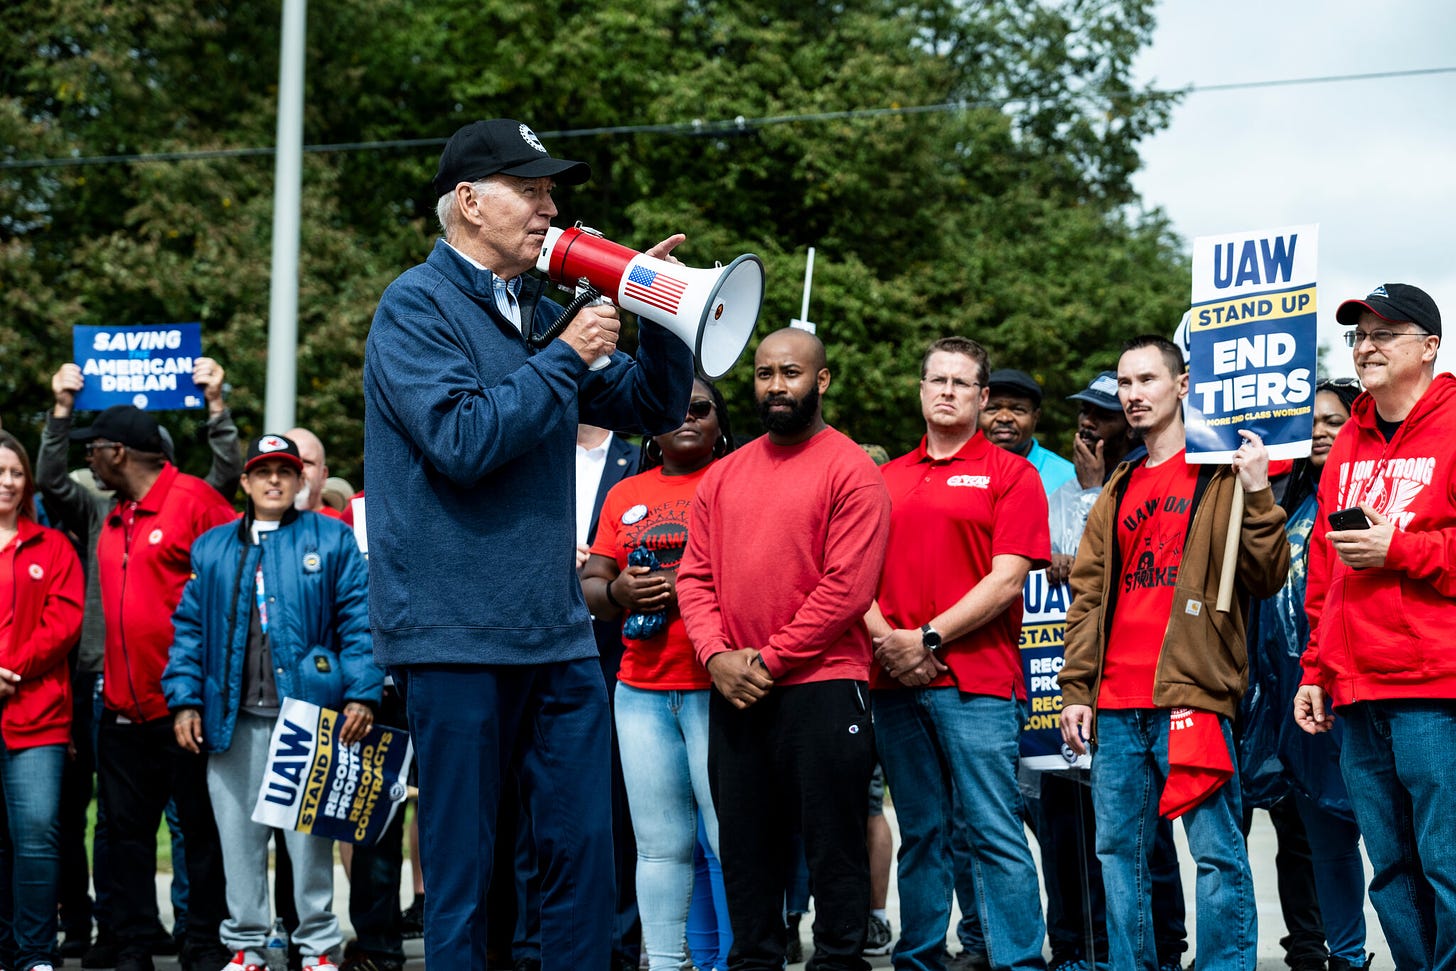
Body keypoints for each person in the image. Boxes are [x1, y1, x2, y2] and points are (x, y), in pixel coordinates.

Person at [362, 117, 694, 969]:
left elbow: (653, 410)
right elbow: (462, 440)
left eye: (552, 189)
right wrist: (566, 355)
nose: (553, 206)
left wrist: (655, 306)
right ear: (470, 203)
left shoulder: (541, 310)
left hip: (552, 632)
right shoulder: (414, 306)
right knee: (468, 873)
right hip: (454, 634)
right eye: (533, 188)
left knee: (584, 855)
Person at [1060, 335, 1289, 971]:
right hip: (1112, 703)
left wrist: (1260, 492)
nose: (1133, 395)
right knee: (1118, 854)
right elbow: (1087, 598)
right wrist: (1076, 691)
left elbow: (1268, 574)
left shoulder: (1221, 472)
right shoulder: (1119, 484)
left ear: (1182, 386)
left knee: (1216, 852)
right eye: (1125, 384)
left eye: (1147, 381)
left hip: (1190, 691)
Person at [677, 327, 891, 971]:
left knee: (833, 848)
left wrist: (765, 661)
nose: (776, 386)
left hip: (823, 684)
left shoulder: (851, 468)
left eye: (791, 373)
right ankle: (754, 962)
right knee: (743, 849)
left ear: (820, 381)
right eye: (765, 374)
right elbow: (694, 576)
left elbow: (846, 590)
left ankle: (839, 961)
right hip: (735, 688)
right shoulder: (723, 475)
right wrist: (716, 656)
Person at [39, 359, 242, 963]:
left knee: (200, 835)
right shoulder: (114, 513)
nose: (89, 461)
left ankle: (203, 942)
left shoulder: (196, 502)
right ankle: (131, 943)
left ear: (118, 453)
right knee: (123, 837)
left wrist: (215, 405)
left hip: (184, 707)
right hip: (121, 708)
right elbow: (52, 480)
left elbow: (228, 599)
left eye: (94, 451)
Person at [163, 434, 381, 971]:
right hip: (232, 720)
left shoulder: (331, 540)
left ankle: (317, 948)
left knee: (308, 841)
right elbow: (189, 630)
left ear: (302, 479)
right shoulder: (212, 547)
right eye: (264, 472)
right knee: (238, 841)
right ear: (245, 482)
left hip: (308, 717)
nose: (276, 481)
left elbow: (359, 623)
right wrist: (185, 701)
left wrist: (361, 694)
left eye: (286, 471)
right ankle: (248, 945)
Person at [867, 338, 1049, 971]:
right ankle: (918, 959)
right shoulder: (883, 478)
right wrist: (891, 644)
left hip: (975, 684)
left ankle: (1017, 961)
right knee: (922, 835)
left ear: (982, 397)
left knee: (994, 833)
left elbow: (1007, 580)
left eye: (960, 382)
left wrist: (927, 639)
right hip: (892, 682)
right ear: (921, 390)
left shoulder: (1012, 475)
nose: (946, 391)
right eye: (936, 380)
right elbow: (850, 573)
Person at [1295, 283, 1454, 970]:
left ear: (1429, 346)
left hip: (1435, 688)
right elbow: (1323, 575)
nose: (1366, 346)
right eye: (1360, 334)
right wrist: (1314, 671)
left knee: (1447, 861)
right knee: (1388, 867)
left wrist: (1403, 549)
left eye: (1385, 333)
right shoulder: (1350, 443)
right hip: (1357, 688)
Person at [580, 378, 736, 971]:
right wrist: (619, 589)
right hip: (640, 689)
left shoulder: (738, 478)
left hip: (715, 685)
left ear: (721, 422)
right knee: (660, 848)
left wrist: (685, 587)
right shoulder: (626, 493)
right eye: (673, 406)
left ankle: (732, 962)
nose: (687, 417)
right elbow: (594, 585)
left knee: (726, 842)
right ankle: (669, 964)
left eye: (701, 408)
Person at [1039, 369, 1188, 971]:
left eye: (1100, 414)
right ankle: (1096, 951)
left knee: (1156, 842)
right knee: (1096, 839)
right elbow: (1079, 588)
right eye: (1085, 412)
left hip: (1158, 686)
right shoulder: (1072, 494)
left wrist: (1099, 487)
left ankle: (1166, 950)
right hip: (1091, 690)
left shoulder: (1145, 482)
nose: (1088, 424)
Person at [1239, 379, 1369, 971]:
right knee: (1315, 833)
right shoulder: (1279, 495)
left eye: (1333, 420)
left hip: (1352, 689)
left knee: (1367, 833)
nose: (1319, 430)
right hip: (1280, 694)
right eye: (1308, 420)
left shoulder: (1362, 493)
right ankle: (1328, 953)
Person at [0, 431, 85, 971]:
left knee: (35, 841)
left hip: (38, 717)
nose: (6, 482)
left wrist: (12, 669)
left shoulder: (51, 546)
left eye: (13, 472)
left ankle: (34, 953)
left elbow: (64, 619)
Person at [980, 368, 1076, 496]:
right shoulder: (959, 471)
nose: (1004, 418)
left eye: (1018, 410)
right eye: (992, 409)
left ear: (1035, 416)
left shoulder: (1068, 478)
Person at [285, 428, 341, 519]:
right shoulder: (258, 523)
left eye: (306, 462)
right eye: (289, 462)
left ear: (323, 475)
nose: (299, 469)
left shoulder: (342, 526)